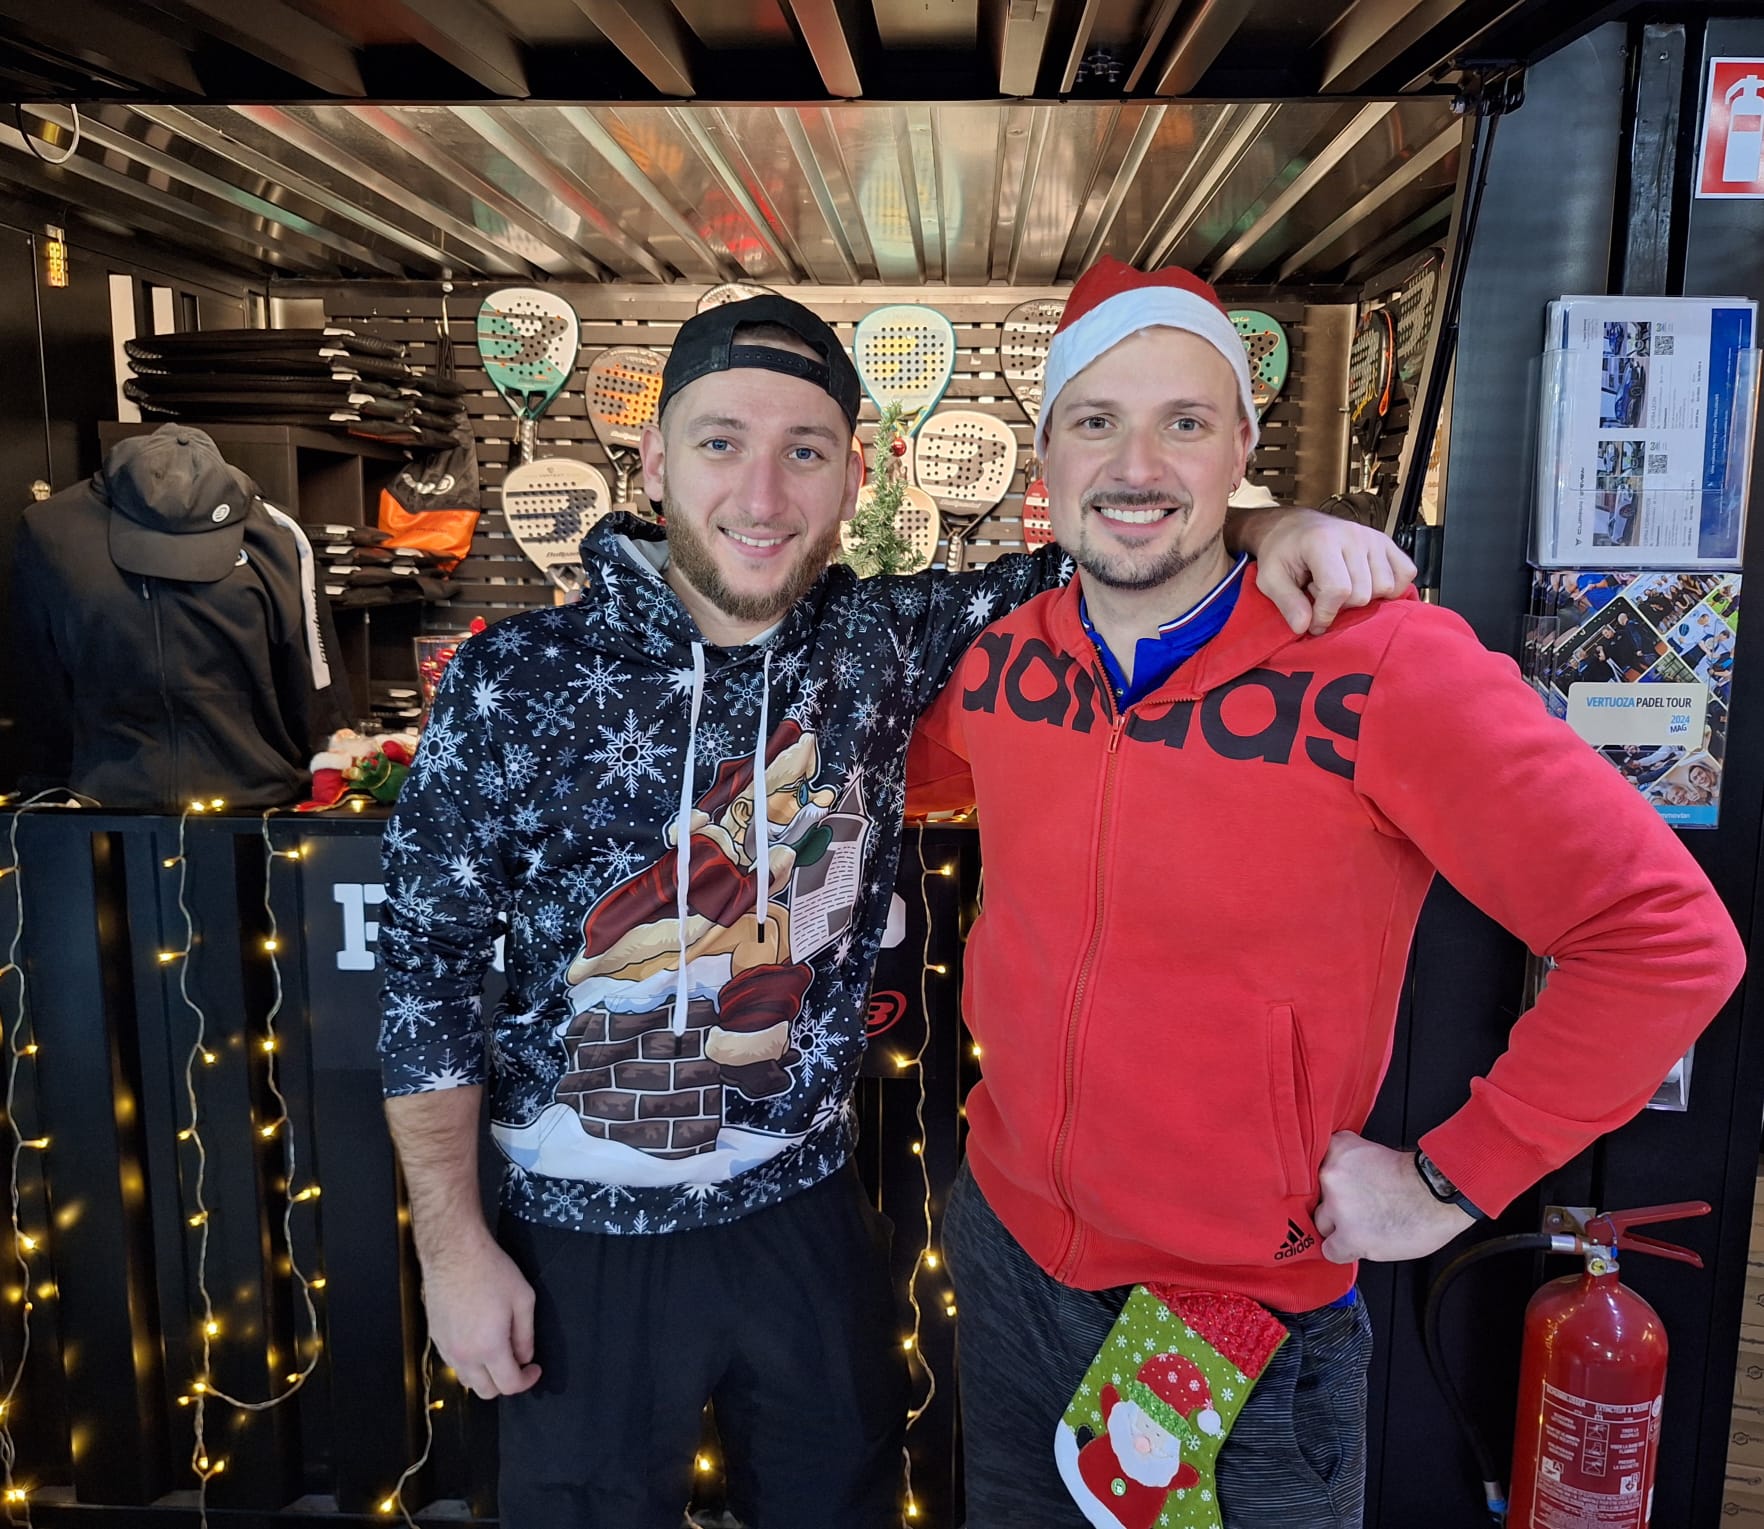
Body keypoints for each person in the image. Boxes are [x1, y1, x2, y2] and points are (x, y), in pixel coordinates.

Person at [376, 292, 1414, 1529]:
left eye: (805, 450)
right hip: (576, 1234)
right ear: (653, 461)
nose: (762, 493)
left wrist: (1269, 517)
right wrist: (453, 1249)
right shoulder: (513, 676)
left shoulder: (879, 639)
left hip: (807, 1212)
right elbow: (425, 972)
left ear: (853, 476)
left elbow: (1120, 533)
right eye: (720, 442)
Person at [904, 257, 1744, 1528]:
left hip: (1234, 1319)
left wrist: (1448, 1180)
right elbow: (855, 771)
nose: (1136, 464)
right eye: (1097, 420)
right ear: (1049, 455)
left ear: (1242, 448)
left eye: (1185, 421)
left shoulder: (1382, 663)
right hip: (1007, 1259)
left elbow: (1667, 937)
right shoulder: (1003, 666)